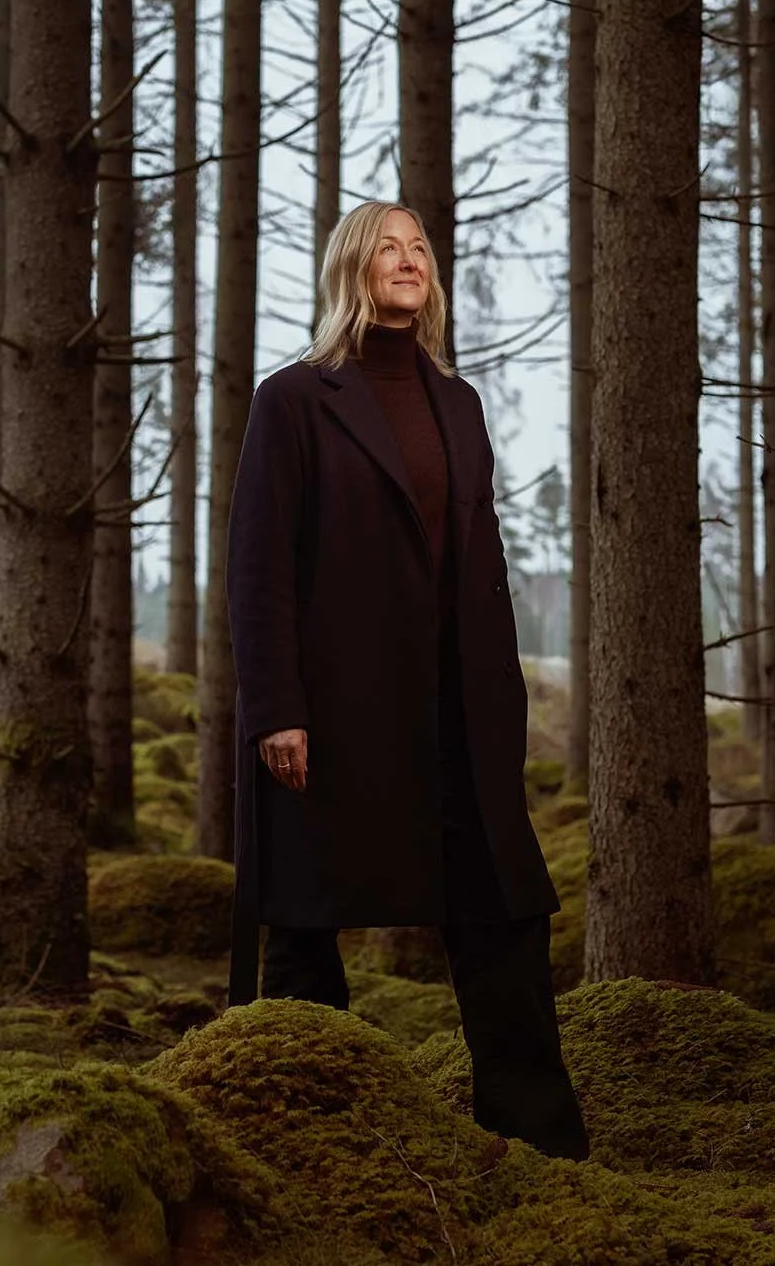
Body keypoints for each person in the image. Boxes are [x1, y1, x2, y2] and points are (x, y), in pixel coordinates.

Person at [224, 199, 589, 1162]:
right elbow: (258, 567)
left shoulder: (457, 403)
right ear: (353, 269)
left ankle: (539, 1140)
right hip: (336, 707)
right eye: (388, 247)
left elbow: (485, 556)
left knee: (503, 906)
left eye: (420, 246)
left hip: (458, 708)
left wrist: (501, 695)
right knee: (306, 916)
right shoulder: (295, 400)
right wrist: (275, 708)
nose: (409, 259)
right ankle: (308, 1131)